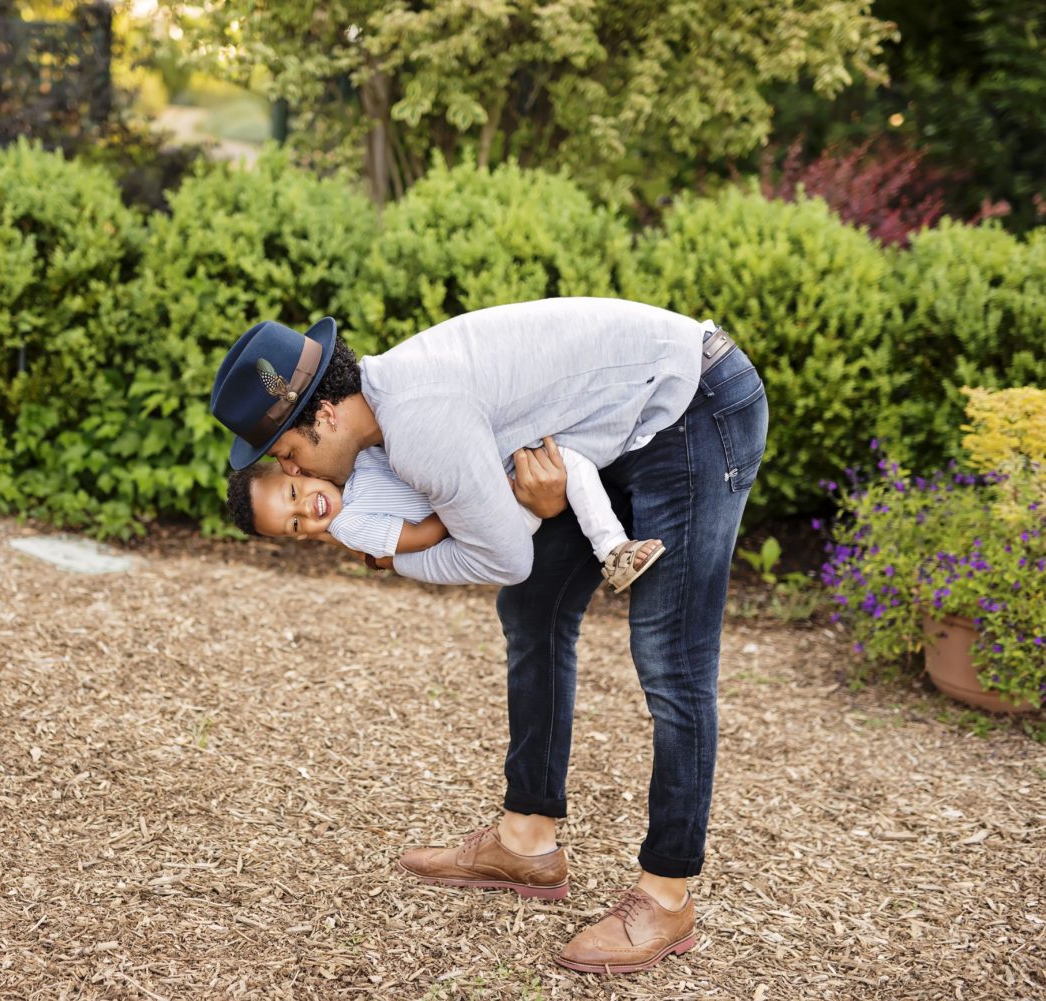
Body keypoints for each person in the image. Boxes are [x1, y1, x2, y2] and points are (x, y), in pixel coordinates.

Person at [208, 298, 768, 974]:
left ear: (324, 415)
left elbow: (505, 554)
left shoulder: (420, 427)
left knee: (670, 654)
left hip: (692, 404)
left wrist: (400, 560)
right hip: (610, 425)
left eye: (289, 454)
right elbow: (476, 526)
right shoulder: (382, 410)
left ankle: (667, 893)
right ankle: (528, 839)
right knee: (532, 610)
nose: (293, 475)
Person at [227, 442, 665, 593]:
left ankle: (614, 547)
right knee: (565, 460)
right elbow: (419, 536)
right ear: (303, 538)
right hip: (487, 517)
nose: (306, 510)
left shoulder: (355, 465)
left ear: (296, 472)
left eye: (292, 495)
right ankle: (610, 549)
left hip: (490, 485)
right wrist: (462, 498)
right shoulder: (349, 524)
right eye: (295, 524)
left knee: (570, 460)